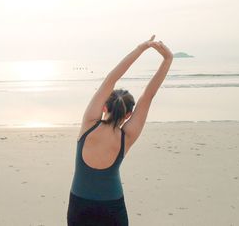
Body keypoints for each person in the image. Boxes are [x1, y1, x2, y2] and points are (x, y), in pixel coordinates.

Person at [67, 34, 173, 226]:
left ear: (104, 108)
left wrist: (140, 48)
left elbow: (111, 78)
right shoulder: (127, 136)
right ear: (128, 115)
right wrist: (167, 60)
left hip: (80, 206)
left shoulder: (89, 124)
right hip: (112, 208)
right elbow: (148, 96)